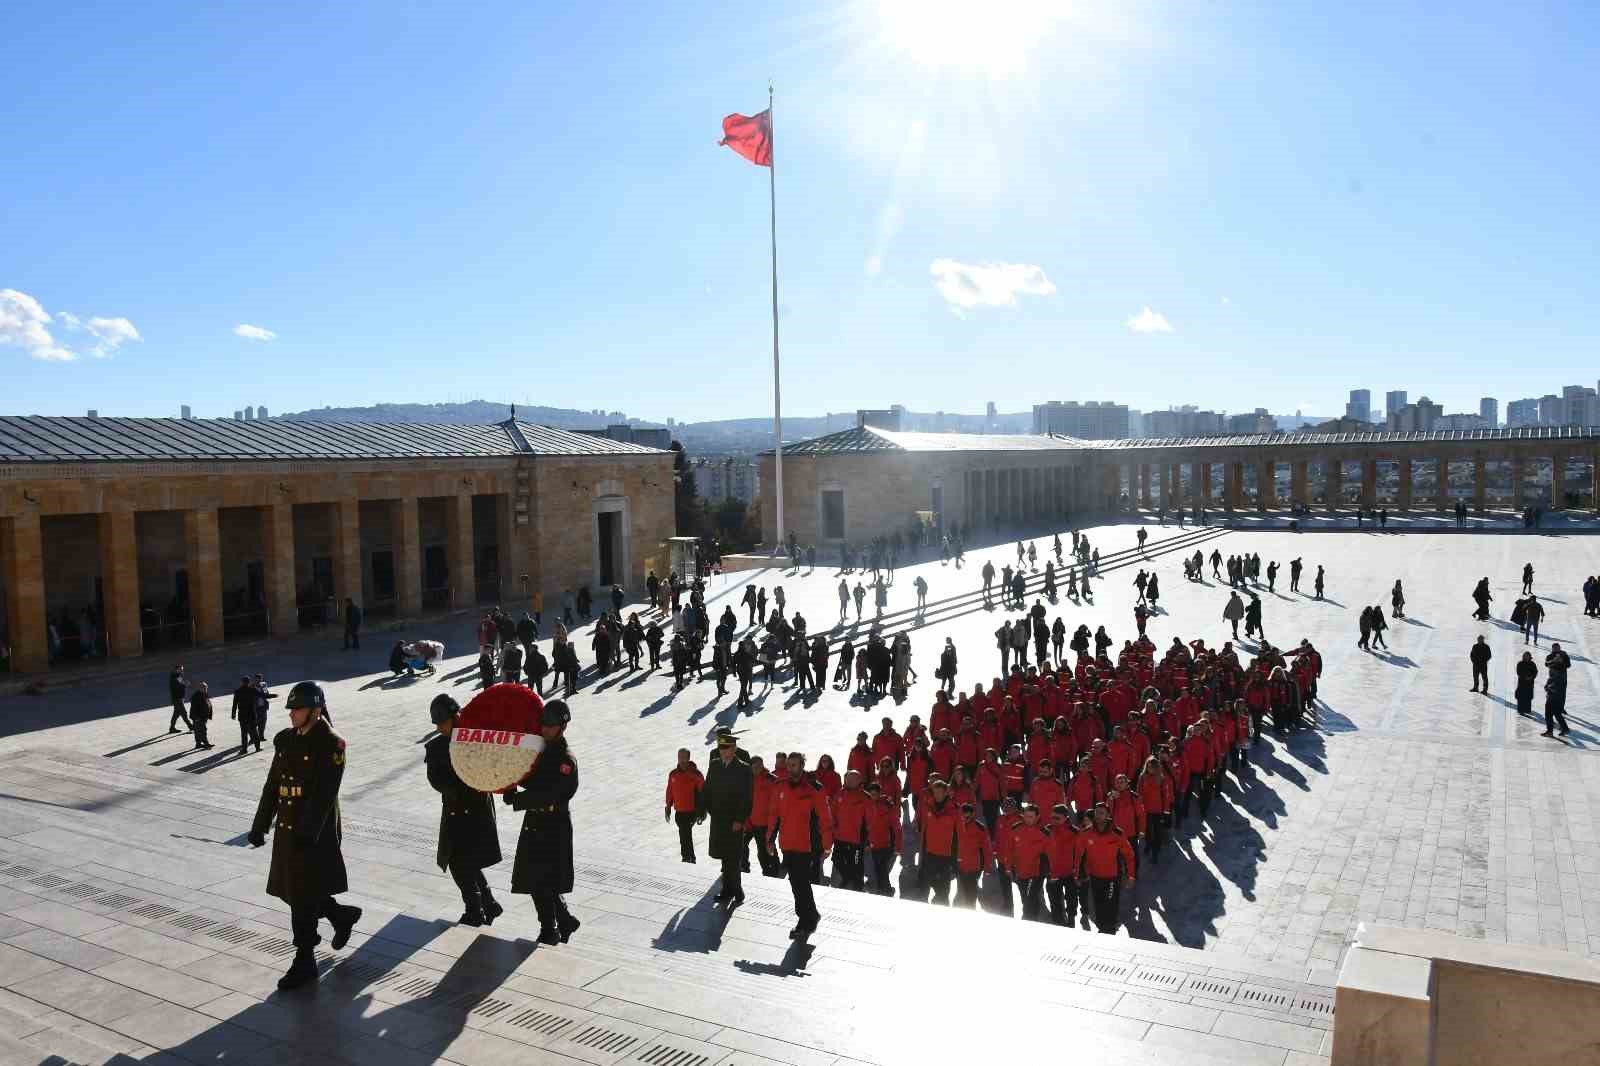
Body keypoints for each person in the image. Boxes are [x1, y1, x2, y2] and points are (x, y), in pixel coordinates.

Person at [247, 681, 361, 990]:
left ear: (316, 710)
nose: (292, 714)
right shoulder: (286, 741)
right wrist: (260, 824)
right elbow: (273, 785)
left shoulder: (331, 744)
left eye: (297, 709)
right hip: (288, 828)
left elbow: (325, 794)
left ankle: (305, 960)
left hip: (315, 832)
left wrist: (307, 833)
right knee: (296, 890)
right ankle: (340, 916)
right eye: (291, 709)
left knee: (301, 895)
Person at [502, 699, 580, 945]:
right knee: (538, 879)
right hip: (535, 822)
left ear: (563, 726)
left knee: (543, 881)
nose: (545, 729)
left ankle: (550, 929)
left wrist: (519, 800)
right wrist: (512, 783)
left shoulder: (566, 760)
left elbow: (554, 793)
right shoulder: (541, 751)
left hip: (552, 826)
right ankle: (563, 921)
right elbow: (533, 778)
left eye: (550, 725)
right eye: (543, 724)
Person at [424, 694, 503, 926]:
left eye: (443, 722)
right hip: (454, 810)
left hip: (475, 810)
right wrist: (453, 788)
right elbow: (434, 778)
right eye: (437, 724)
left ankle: (475, 909)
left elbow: (490, 769)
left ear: (455, 717)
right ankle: (487, 903)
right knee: (462, 860)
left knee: (462, 862)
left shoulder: (475, 740)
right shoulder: (437, 746)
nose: (440, 728)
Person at [768, 752, 833, 939]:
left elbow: (824, 817)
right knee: (796, 883)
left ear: (802, 766)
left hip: (808, 846)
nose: (790, 769)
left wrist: (827, 844)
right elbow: (774, 815)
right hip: (787, 844)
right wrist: (770, 839)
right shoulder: (780, 786)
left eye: (794, 765)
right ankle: (811, 915)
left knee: (801, 884)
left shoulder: (814, 788)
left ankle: (805, 921)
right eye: (788, 765)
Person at [701, 729, 754, 905]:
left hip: (734, 821)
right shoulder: (715, 765)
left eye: (727, 747)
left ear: (734, 748)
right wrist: (705, 808)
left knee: (733, 857)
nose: (723, 750)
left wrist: (740, 820)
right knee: (724, 856)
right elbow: (708, 788)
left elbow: (747, 797)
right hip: (718, 819)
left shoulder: (743, 769)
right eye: (721, 747)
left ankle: (736, 890)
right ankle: (727, 889)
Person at [1077, 803, 1136, 934]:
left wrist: (1131, 875)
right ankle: (1103, 930)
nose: (1098, 816)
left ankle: (1109, 932)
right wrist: (1077, 874)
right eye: (1097, 813)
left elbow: (1129, 855)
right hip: (1095, 876)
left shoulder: (1117, 833)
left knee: (1110, 906)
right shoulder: (1086, 833)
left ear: (1108, 815)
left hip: (1112, 878)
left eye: (1102, 813)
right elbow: (1079, 854)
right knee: (1098, 906)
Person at [665, 749, 704, 863]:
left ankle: (687, 857)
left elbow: (703, 791)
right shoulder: (673, 774)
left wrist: (702, 810)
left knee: (684, 833)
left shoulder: (695, 774)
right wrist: (668, 807)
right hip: (679, 811)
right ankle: (689, 857)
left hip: (692, 811)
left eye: (684, 757)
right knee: (684, 834)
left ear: (688, 758)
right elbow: (670, 791)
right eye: (679, 757)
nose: (681, 760)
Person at [1542, 644, 1571, 737]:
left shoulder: (1559, 669)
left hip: (1555, 691)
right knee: (1556, 712)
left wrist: (1548, 687)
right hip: (1556, 689)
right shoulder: (1554, 666)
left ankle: (1551, 731)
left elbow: (1567, 665)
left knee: (1549, 712)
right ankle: (1564, 728)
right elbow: (1547, 664)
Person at [231, 674, 259, 753]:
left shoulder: (238, 691)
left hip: (242, 716)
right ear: (249, 682)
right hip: (252, 715)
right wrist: (272, 695)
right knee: (254, 732)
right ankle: (257, 748)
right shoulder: (252, 690)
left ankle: (244, 749)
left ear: (242, 682)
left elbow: (234, 704)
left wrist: (233, 714)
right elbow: (262, 695)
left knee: (244, 733)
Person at [189, 681, 214, 750]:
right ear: (200, 688)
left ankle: (198, 744)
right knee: (202, 730)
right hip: (198, 717)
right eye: (204, 688)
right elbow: (194, 708)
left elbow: (208, 704)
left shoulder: (204, 694)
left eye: (206, 688)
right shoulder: (196, 696)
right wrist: (196, 717)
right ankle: (206, 743)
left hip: (203, 716)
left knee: (198, 730)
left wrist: (209, 714)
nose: (205, 689)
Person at [168, 664, 192, 733]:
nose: (182, 671)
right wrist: (185, 685)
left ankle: (172, 728)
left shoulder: (178, 676)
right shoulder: (174, 678)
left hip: (179, 698)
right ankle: (191, 727)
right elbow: (177, 688)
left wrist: (185, 684)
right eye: (181, 669)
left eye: (182, 669)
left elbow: (182, 683)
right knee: (184, 713)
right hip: (177, 699)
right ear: (177, 670)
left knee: (176, 714)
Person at [1514, 651, 1538, 717]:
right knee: (1520, 696)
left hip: (1530, 683)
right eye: (1525, 656)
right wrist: (1524, 677)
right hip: (1522, 682)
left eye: (1527, 656)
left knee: (1528, 696)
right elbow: (1518, 671)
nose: (1526, 657)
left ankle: (1527, 709)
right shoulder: (1520, 663)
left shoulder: (1532, 664)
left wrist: (1531, 677)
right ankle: (1520, 709)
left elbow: (1535, 672)